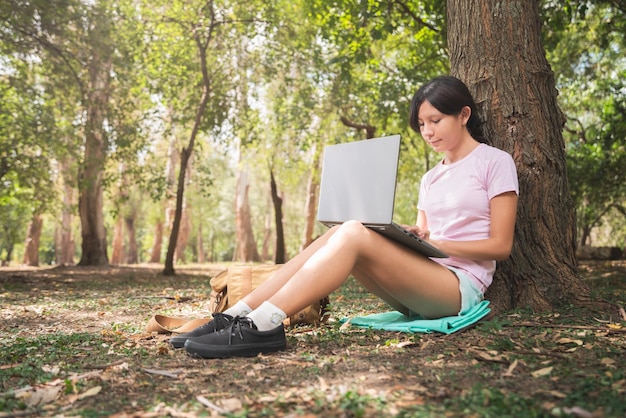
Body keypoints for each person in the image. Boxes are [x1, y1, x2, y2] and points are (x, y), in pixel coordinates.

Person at [171, 75, 519, 359]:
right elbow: (427, 234)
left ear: (464, 115)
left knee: (352, 232)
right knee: (340, 231)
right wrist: (414, 235)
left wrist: (436, 242)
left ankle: (264, 324)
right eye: (421, 124)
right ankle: (236, 316)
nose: (427, 132)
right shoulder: (431, 177)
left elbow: (501, 246)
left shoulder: (494, 162)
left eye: (435, 121)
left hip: (459, 288)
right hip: (422, 278)